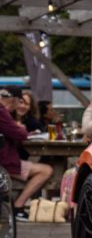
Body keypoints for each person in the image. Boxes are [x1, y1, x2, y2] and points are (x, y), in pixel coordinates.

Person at [0, 87, 54, 220]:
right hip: (4, 163)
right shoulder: (2, 112)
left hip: (5, 159)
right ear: (14, 100)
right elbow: (19, 134)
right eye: (20, 102)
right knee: (46, 170)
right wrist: (20, 128)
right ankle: (18, 207)